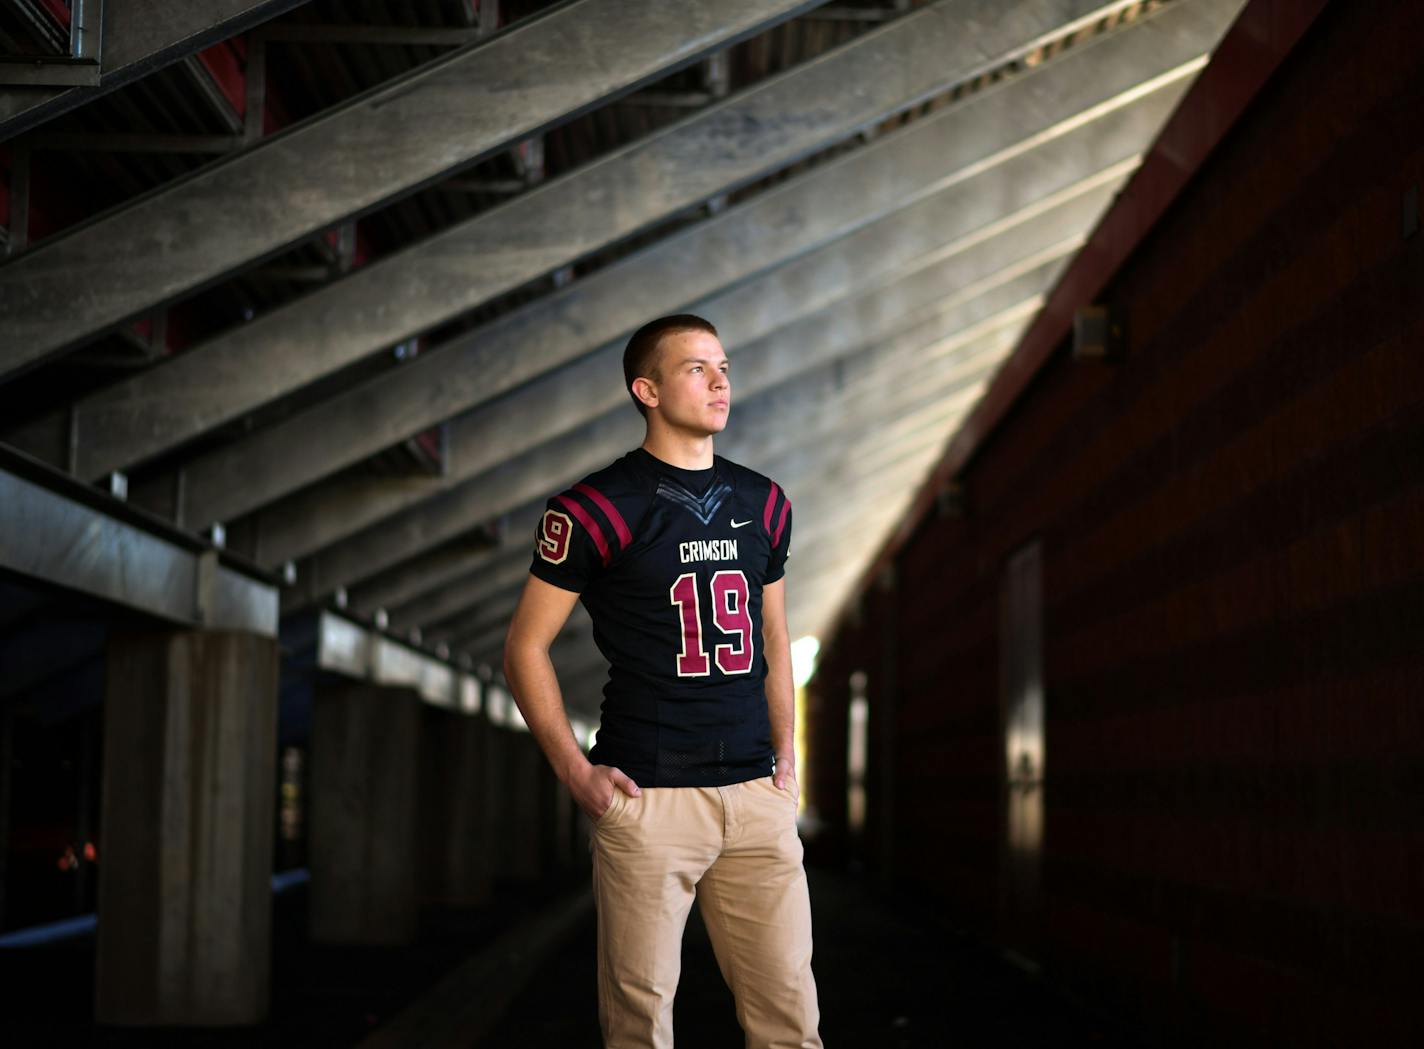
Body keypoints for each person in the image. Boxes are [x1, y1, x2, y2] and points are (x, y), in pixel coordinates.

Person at [504, 313, 822, 1049]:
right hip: (648, 796)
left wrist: (787, 758)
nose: (719, 382)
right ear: (646, 389)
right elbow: (524, 647)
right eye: (696, 368)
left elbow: (775, 636)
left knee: (791, 1023)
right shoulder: (594, 507)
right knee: (640, 1030)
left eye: (724, 367)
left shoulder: (764, 502)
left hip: (755, 797)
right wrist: (577, 774)